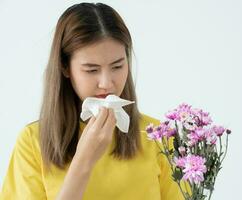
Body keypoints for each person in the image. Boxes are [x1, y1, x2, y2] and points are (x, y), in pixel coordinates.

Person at [0, 2, 186, 200]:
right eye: (91, 70)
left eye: (117, 66)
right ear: (65, 67)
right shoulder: (32, 142)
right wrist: (84, 162)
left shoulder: (159, 137)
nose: (106, 84)